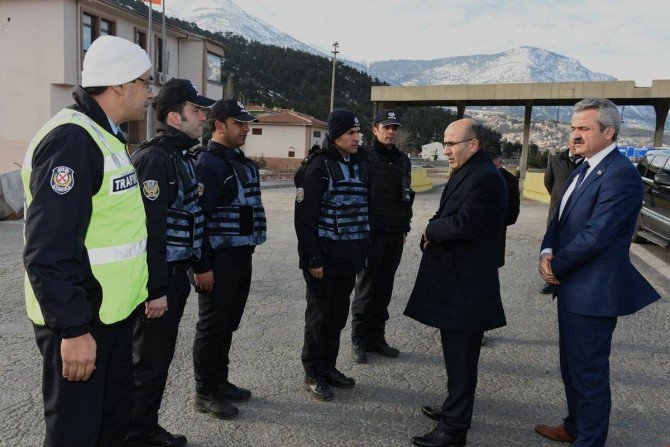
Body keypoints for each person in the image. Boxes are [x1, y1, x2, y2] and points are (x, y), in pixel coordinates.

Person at [21, 35, 153, 447]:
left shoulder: (104, 134)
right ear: (120, 86)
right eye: (146, 83)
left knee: (109, 428)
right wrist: (74, 330)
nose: (150, 94)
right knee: (76, 435)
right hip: (83, 320)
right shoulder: (72, 140)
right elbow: (49, 248)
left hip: (110, 316)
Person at [536, 98, 660, 447]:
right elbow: (559, 218)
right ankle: (574, 427)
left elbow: (597, 235)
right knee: (571, 367)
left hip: (593, 291)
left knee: (589, 374)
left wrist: (554, 266)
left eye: (583, 128)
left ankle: (588, 441)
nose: (574, 135)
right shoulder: (583, 167)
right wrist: (547, 250)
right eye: (573, 128)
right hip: (572, 287)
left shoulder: (621, 175)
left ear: (609, 131)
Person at [404, 118, 507, 447]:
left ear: (473, 144)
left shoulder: (486, 179)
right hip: (455, 281)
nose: (445, 149)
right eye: (444, 143)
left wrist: (429, 231)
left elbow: (463, 224)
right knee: (454, 355)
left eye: (452, 144)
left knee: (462, 359)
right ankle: (453, 410)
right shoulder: (468, 171)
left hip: (468, 285)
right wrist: (432, 228)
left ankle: (453, 430)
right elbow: (445, 212)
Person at [126, 79, 214, 447]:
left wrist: (196, 263)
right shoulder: (155, 158)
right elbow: (150, 230)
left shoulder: (180, 157)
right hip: (157, 282)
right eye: (197, 111)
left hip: (174, 276)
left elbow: (190, 217)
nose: (203, 118)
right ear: (175, 116)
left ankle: (142, 427)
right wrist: (156, 289)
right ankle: (135, 433)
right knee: (146, 362)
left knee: (156, 360)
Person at [191, 99, 266, 419]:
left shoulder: (237, 161)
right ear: (219, 125)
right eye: (239, 123)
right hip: (218, 260)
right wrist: (202, 265)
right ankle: (205, 391)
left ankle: (219, 381)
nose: (246, 128)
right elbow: (197, 218)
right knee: (212, 327)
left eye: (247, 123)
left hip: (239, 255)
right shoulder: (209, 164)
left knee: (227, 324)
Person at [294, 109, 370, 401]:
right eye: (351, 133)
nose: (356, 138)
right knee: (319, 316)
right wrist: (313, 259)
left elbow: (366, 211)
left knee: (338, 316)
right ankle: (313, 371)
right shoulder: (317, 167)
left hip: (349, 256)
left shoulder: (361, 164)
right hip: (323, 260)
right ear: (336, 135)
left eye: (357, 133)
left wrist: (364, 251)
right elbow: (305, 220)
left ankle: (329, 366)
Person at [350, 109, 413, 364]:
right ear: (374, 129)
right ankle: (359, 340)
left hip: (395, 234)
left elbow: (407, 194)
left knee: (384, 290)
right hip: (371, 235)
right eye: (386, 127)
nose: (391, 132)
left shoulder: (403, 160)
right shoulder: (363, 158)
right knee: (365, 290)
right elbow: (356, 200)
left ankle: (377, 339)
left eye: (394, 127)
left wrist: (406, 226)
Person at [540, 141, 582, 294]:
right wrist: (559, 198)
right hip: (557, 210)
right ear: (569, 144)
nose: (576, 145)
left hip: (579, 212)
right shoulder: (556, 159)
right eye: (573, 142)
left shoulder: (588, 162)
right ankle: (551, 281)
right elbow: (548, 182)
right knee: (554, 245)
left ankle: (571, 279)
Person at [483, 145, 520, 266]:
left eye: (493, 166)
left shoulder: (511, 181)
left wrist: (488, 221)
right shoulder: (472, 175)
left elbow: (512, 215)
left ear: (500, 163)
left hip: (494, 240)